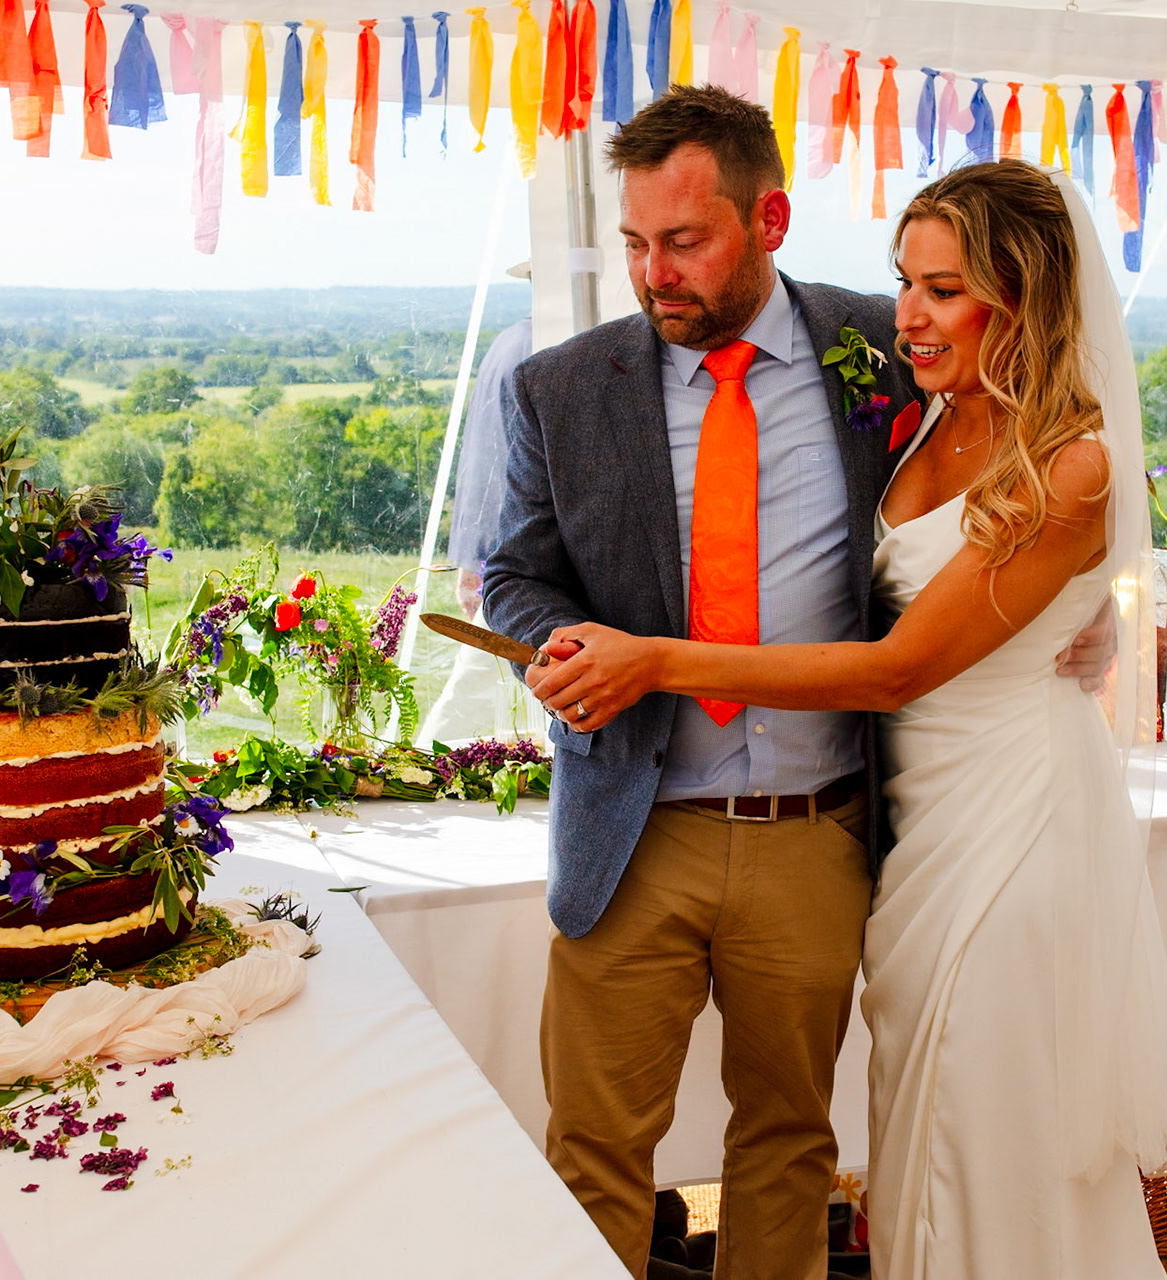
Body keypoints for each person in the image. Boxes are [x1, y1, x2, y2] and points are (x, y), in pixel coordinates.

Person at [483, 86, 1114, 1279]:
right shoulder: (556, 388)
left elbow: (1041, 447)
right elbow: (515, 576)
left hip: (818, 835)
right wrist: (561, 644)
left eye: (685, 240)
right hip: (634, 828)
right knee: (595, 1147)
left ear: (768, 216)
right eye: (634, 242)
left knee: (790, 1146)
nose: (654, 272)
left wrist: (1087, 618)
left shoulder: (890, 343)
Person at [418, 312, 547, 745]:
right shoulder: (543, 347)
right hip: (517, 560)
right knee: (470, 704)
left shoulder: (508, 342)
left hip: (496, 551)